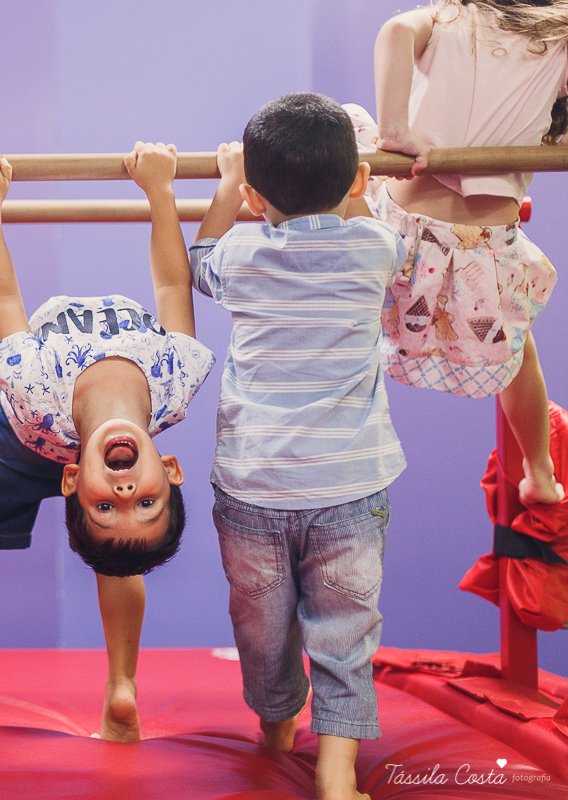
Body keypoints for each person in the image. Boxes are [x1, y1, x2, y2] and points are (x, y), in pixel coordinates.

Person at [0, 144, 215, 741]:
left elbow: (4, 299)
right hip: (50, 426)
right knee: (118, 550)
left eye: (106, 505)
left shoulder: (31, 388)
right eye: (146, 501)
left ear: (75, 483)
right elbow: (169, 281)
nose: (125, 491)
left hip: (26, 433)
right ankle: (114, 687)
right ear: (172, 471)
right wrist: (160, 192)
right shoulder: (176, 382)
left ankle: (111, 682)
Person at [190, 94, 406, 800]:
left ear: (255, 196)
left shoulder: (243, 255)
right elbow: (376, 228)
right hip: (347, 487)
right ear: (358, 181)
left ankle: (277, 727)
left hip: (255, 487)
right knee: (345, 629)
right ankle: (338, 770)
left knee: (261, 623)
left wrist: (225, 189)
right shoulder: (376, 248)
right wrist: (362, 188)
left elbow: (197, 261)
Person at [365, 0, 565, 506]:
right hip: (485, 255)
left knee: (347, 131)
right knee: (518, 345)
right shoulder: (561, 33)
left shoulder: (450, 15)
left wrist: (393, 132)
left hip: (402, 238)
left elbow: (393, 30)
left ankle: (269, 196)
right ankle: (539, 472)